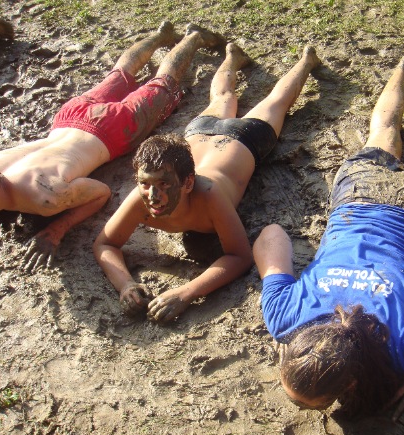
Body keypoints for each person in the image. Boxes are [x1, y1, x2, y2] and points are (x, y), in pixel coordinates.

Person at [252, 56, 404, 422]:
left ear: (350, 384)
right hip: (357, 199)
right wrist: (280, 313)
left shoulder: (402, 352)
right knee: (383, 131)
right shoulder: (284, 317)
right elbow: (272, 234)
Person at [0, 21, 225, 270]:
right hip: (69, 117)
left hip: (111, 130)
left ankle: (194, 36)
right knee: (120, 74)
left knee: (163, 85)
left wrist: (57, 229)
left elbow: (101, 193)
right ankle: (161, 35)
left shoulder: (46, 197)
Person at [93, 45, 321, 321]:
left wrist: (186, 292)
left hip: (244, 138)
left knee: (277, 101)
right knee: (223, 96)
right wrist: (125, 285)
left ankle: (307, 60)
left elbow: (240, 257)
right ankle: (232, 56)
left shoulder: (209, 195)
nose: (152, 195)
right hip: (198, 133)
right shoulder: (141, 198)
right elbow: (105, 244)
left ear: (188, 183)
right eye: (145, 183)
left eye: (164, 185)